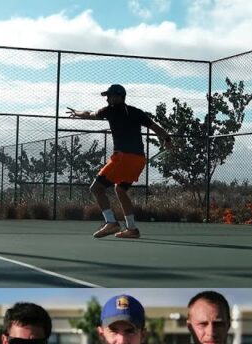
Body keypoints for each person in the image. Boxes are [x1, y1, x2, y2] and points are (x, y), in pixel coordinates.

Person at [66, 84, 174, 239]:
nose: (108, 99)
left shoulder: (109, 111)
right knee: (120, 190)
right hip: (138, 160)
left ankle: (111, 222)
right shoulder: (136, 112)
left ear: (119, 96)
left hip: (123, 158)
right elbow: (157, 128)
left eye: (110, 96)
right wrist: (167, 140)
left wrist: (76, 113)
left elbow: (90, 114)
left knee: (96, 189)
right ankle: (132, 229)